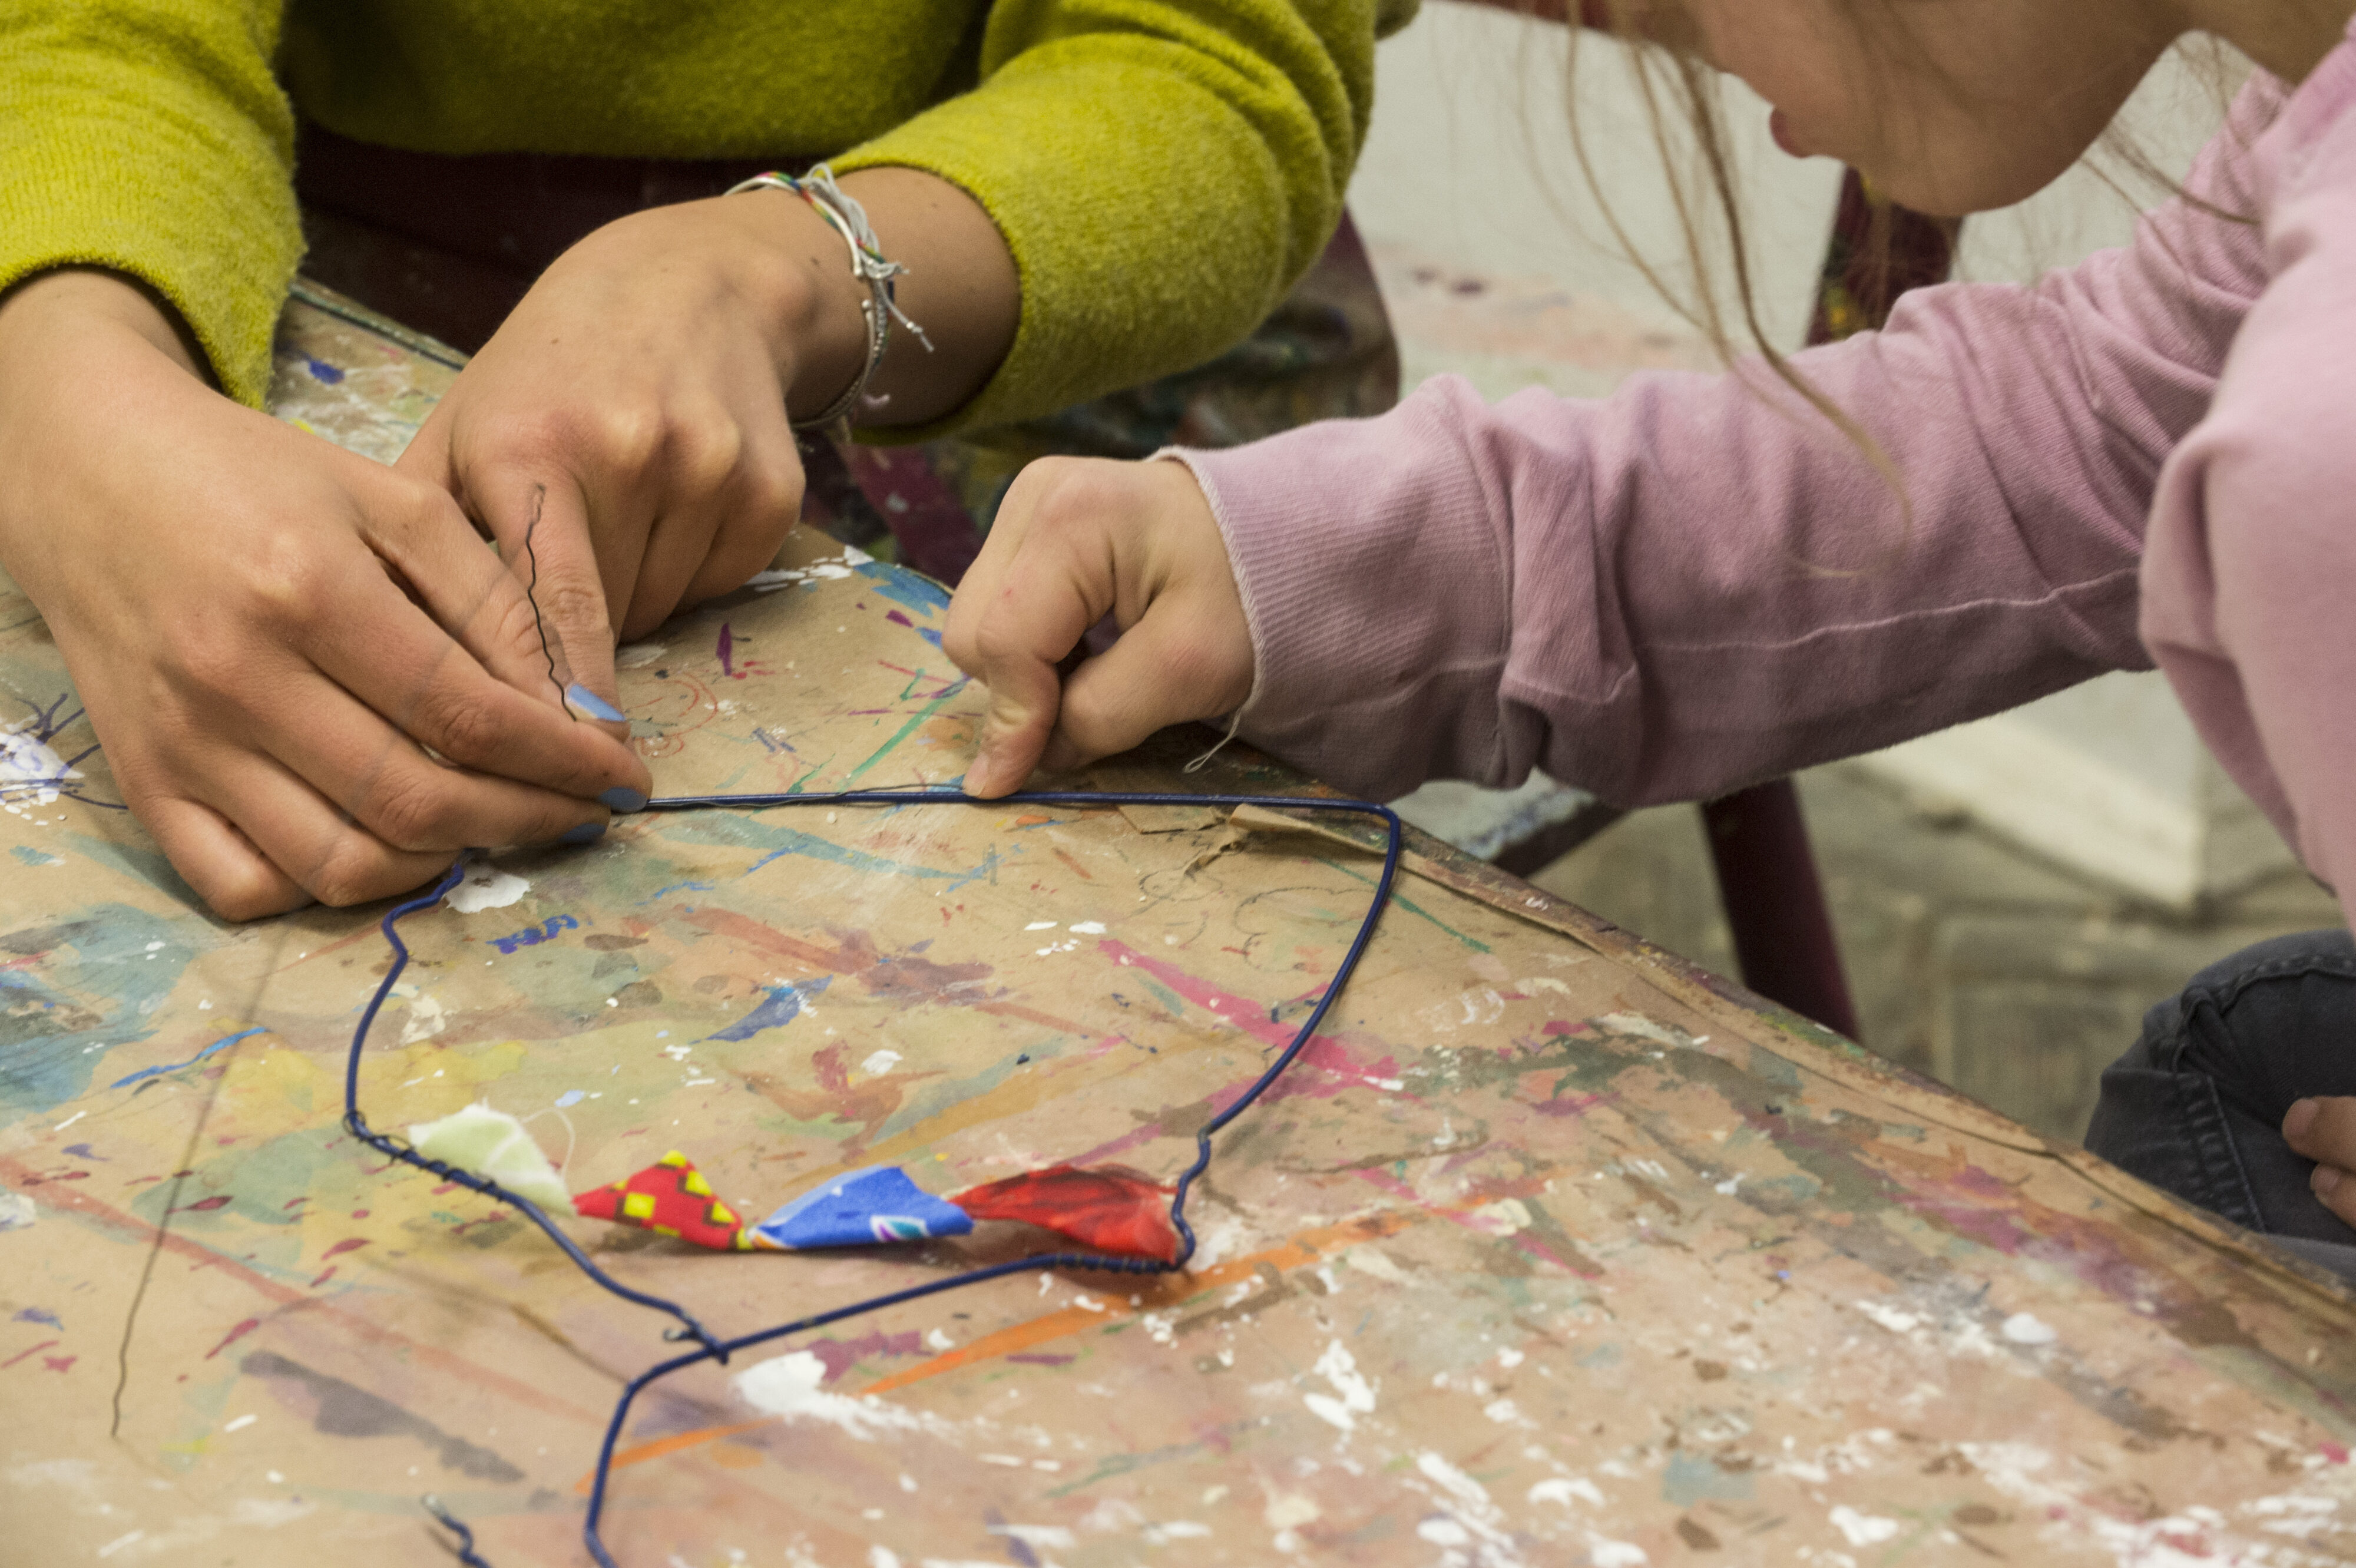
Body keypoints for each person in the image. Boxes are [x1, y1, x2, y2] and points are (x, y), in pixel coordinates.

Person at [941, 0, 2356, 1274]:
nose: (1678, 45)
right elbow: (2088, 422)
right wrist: (1314, 561)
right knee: (2241, 1053)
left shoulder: (2314, 439)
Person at [0, 0, 1409, 921]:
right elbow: (90, 36)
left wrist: (766, 274)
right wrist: (68, 396)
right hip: (277, 249)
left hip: (1042, 268)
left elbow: (1203, 67)